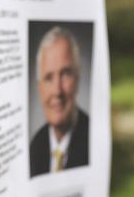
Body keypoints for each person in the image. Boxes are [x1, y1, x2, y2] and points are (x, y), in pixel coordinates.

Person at [28, 27, 90, 176]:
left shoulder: (94, 138)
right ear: (40, 87)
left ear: (78, 79)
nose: (57, 91)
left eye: (66, 74)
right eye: (48, 78)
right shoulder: (35, 146)